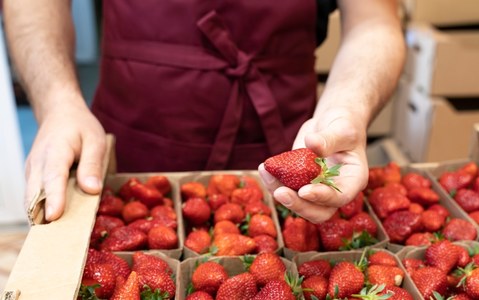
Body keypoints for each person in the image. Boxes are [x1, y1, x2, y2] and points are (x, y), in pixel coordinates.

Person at [4, 0, 404, 224]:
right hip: (130, 140)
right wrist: (57, 100)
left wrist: (346, 108)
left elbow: (374, 21)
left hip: (290, 144)